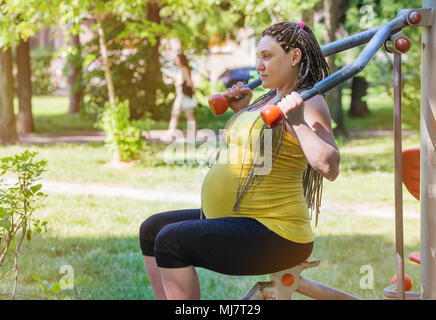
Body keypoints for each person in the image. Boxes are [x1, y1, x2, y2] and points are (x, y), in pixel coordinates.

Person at [140, 21, 340, 300]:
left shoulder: (309, 101)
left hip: (277, 233)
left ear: (295, 57)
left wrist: (299, 123)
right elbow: (263, 142)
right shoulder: (269, 98)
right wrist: (243, 110)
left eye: (267, 56)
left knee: (171, 240)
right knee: (153, 229)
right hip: (241, 219)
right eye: (258, 57)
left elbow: (329, 167)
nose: (259, 65)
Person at [160, 52, 197, 142]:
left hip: (182, 96)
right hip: (181, 96)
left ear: (180, 60)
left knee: (177, 115)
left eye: (177, 58)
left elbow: (189, 82)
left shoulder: (184, 69)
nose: (175, 60)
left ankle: (170, 134)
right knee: (182, 115)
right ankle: (192, 135)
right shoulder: (182, 69)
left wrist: (180, 84)